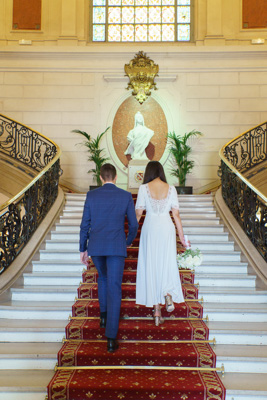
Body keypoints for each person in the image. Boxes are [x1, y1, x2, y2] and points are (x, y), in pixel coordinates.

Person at [79, 163, 138, 352]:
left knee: (102, 279)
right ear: (115, 177)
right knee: (114, 287)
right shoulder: (125, 196)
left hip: (96, 247)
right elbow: (134, 225)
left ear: (101, 177)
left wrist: (83, 248)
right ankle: (111, 338)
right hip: (116, 247)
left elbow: (84, 224)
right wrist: (127, 241)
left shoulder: (91, 196)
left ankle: (103, 315)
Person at [135, 161, 187, 326]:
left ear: (148, 171)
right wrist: (182, 237)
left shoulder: (144, 188)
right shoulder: (171, 188)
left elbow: (138, 214)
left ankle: (156, 310)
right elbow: (176, 214)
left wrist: (128, 237)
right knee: (166, 262)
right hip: (167, 228)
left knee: (152, 264)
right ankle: (167, 292)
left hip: (150, 228)